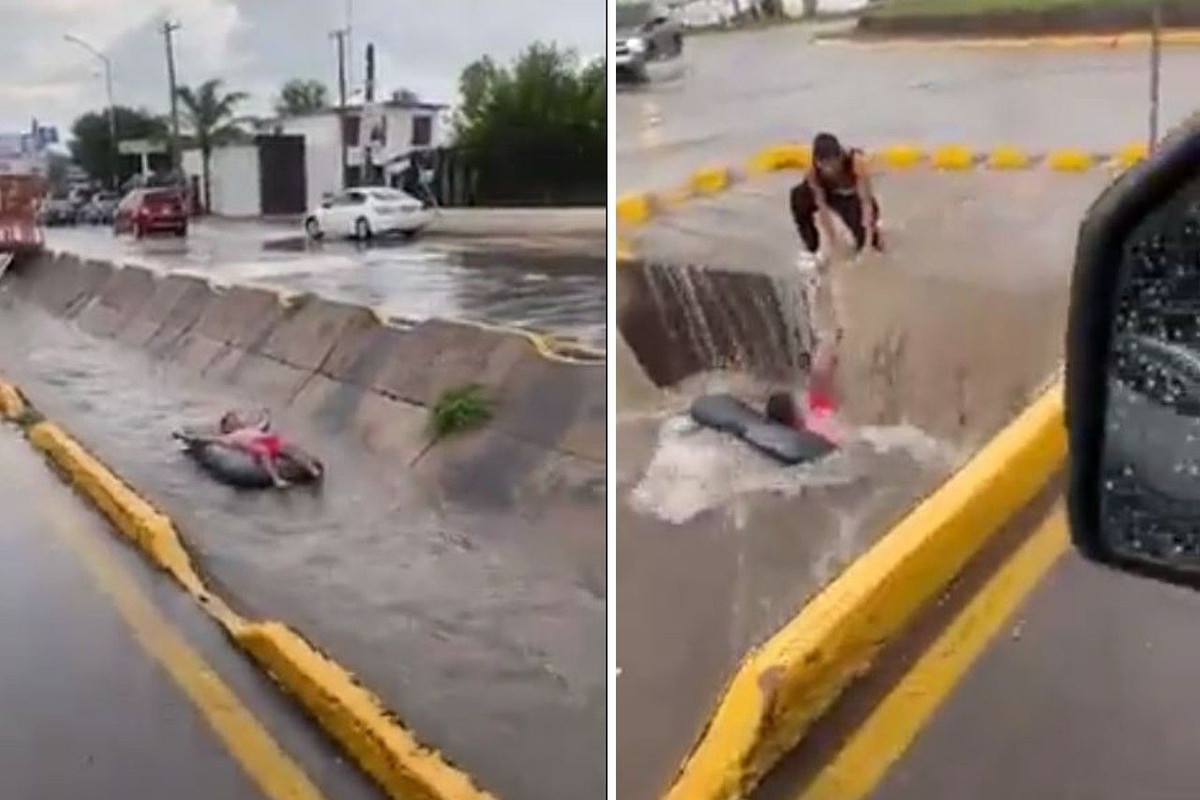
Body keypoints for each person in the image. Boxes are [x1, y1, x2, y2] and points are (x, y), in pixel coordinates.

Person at [790, 132, 884, 265]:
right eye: (824, 164)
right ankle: (811, 247)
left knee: (872, 243)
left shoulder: (856, 162)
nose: (829, 169)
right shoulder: (813, 172)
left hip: (852, 197)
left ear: (840, 156)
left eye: (833, 162)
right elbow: (822, 209)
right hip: (830, 194)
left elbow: (866, 202)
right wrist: (834, 244)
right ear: (817, 162)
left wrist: (868, 244)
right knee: (798, 196)